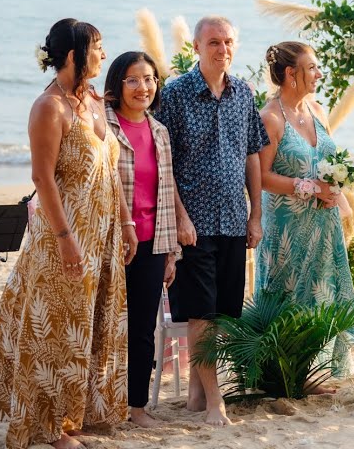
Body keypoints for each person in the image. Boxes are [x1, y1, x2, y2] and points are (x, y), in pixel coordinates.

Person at [0, 18, 136, 449]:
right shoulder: (49, 108)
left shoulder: (95, 101)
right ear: (75, 54)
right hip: (64, 235)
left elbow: (111, 170)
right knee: (56, 328)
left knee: (90, 324)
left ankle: (77, 414)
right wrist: (65, 238)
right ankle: (51, 426)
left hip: (103, 233)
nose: (103, 54)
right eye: (97, 47)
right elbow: (42, 177)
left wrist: (127, 222)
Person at [153, 16, 269, 426]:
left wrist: (255, 214)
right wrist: (180, 217)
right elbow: (163, 162)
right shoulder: (175, 94)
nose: (223, 49)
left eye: (229, 42)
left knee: (223, 312)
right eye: (214, 42)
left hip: (234, 220)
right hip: (194, 224)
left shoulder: (244, 93)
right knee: (201, 313)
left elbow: (252, 154)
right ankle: (215, 401)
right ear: (197, 48)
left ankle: (197, 396)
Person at [254, 40, 354, 388]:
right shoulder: (269, 118)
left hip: (323, 223)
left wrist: (335, 189)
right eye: (312, 67)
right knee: (287, 292)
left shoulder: (317, 110)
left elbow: (329, 161)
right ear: (290, 73)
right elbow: (262, 177)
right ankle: (284, 374)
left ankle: (316, 369)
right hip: (287, 226)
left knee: (323, 290)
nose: (318, 73)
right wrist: (311, 188)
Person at [103, 51, 198, 426]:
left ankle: (136, 408)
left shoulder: (159, 131)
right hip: (110, 242)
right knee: (104, 327)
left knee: (142, 328)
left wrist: (171, 251)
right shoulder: (104, 127)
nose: (143, 87)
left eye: (149, 79)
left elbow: (166, 188)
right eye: (133, 79)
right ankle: (97, 403)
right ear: (117, 84)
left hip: (152, 243)